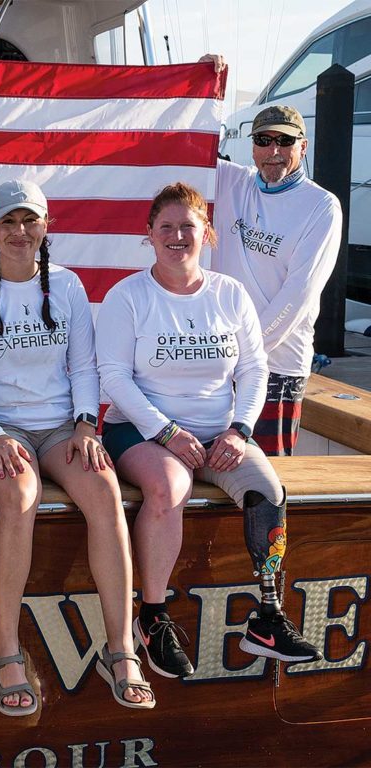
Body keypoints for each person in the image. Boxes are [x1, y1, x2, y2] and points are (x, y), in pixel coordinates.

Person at [95, 182, 323, 680]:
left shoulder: (229, 293)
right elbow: (112, 377)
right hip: (138, 430)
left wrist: (240, 429)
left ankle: (266, 616)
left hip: (221, 434)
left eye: (188, 227)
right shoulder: (128, 297)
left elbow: (255, 370)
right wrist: (167, 432)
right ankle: (152, 618)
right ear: (149, 236)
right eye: (167, 227)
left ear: (208, 234)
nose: (178, 236)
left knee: (268, 492)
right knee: (170, 486)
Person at [0, 180, 154, 713]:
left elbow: (83, 366)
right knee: (19, 495)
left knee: (105, 492)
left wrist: (86, 425)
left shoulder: (69, 286)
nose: (19, 232)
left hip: (61, 427)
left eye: (29, 221)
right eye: (7, 222)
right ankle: (7, 651)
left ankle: (120, 647)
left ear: (45, 226)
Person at [203, 56, 343, 455]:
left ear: (303, 145)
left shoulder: (321, 206)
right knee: (212, 481)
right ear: (252, 147)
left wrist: (243, 355)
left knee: (264, 483)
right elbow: (184, 139)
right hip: (220, 363)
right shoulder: (233, 181)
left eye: (284, 141)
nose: (273, 151)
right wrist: (199, 84)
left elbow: (297, 296)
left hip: (275, 366)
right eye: (264, 141)